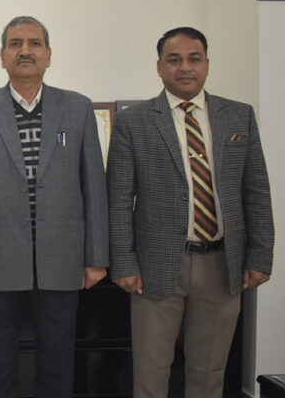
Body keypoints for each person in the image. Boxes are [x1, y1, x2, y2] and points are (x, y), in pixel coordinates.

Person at [107, 27, 274, 398]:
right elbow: (118, 199)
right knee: (151, 373)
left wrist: (260, 256)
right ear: (159, 67)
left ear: (207, 64)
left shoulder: (239, 116)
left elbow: (256, 191)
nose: (185, 67)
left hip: (223, 264)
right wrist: (124, 263)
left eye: (193, 59)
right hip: (155, 266)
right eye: (174, 60)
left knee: (209, 373)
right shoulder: (134, 121)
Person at [0, 15, 108, 398]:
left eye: (34, 43)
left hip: (62, 259)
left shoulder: (77, 108)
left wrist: (96, 257)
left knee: (57, 361)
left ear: (48, 54)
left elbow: (94, 187)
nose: (25, 51)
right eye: (15, 44)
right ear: (2, 55)